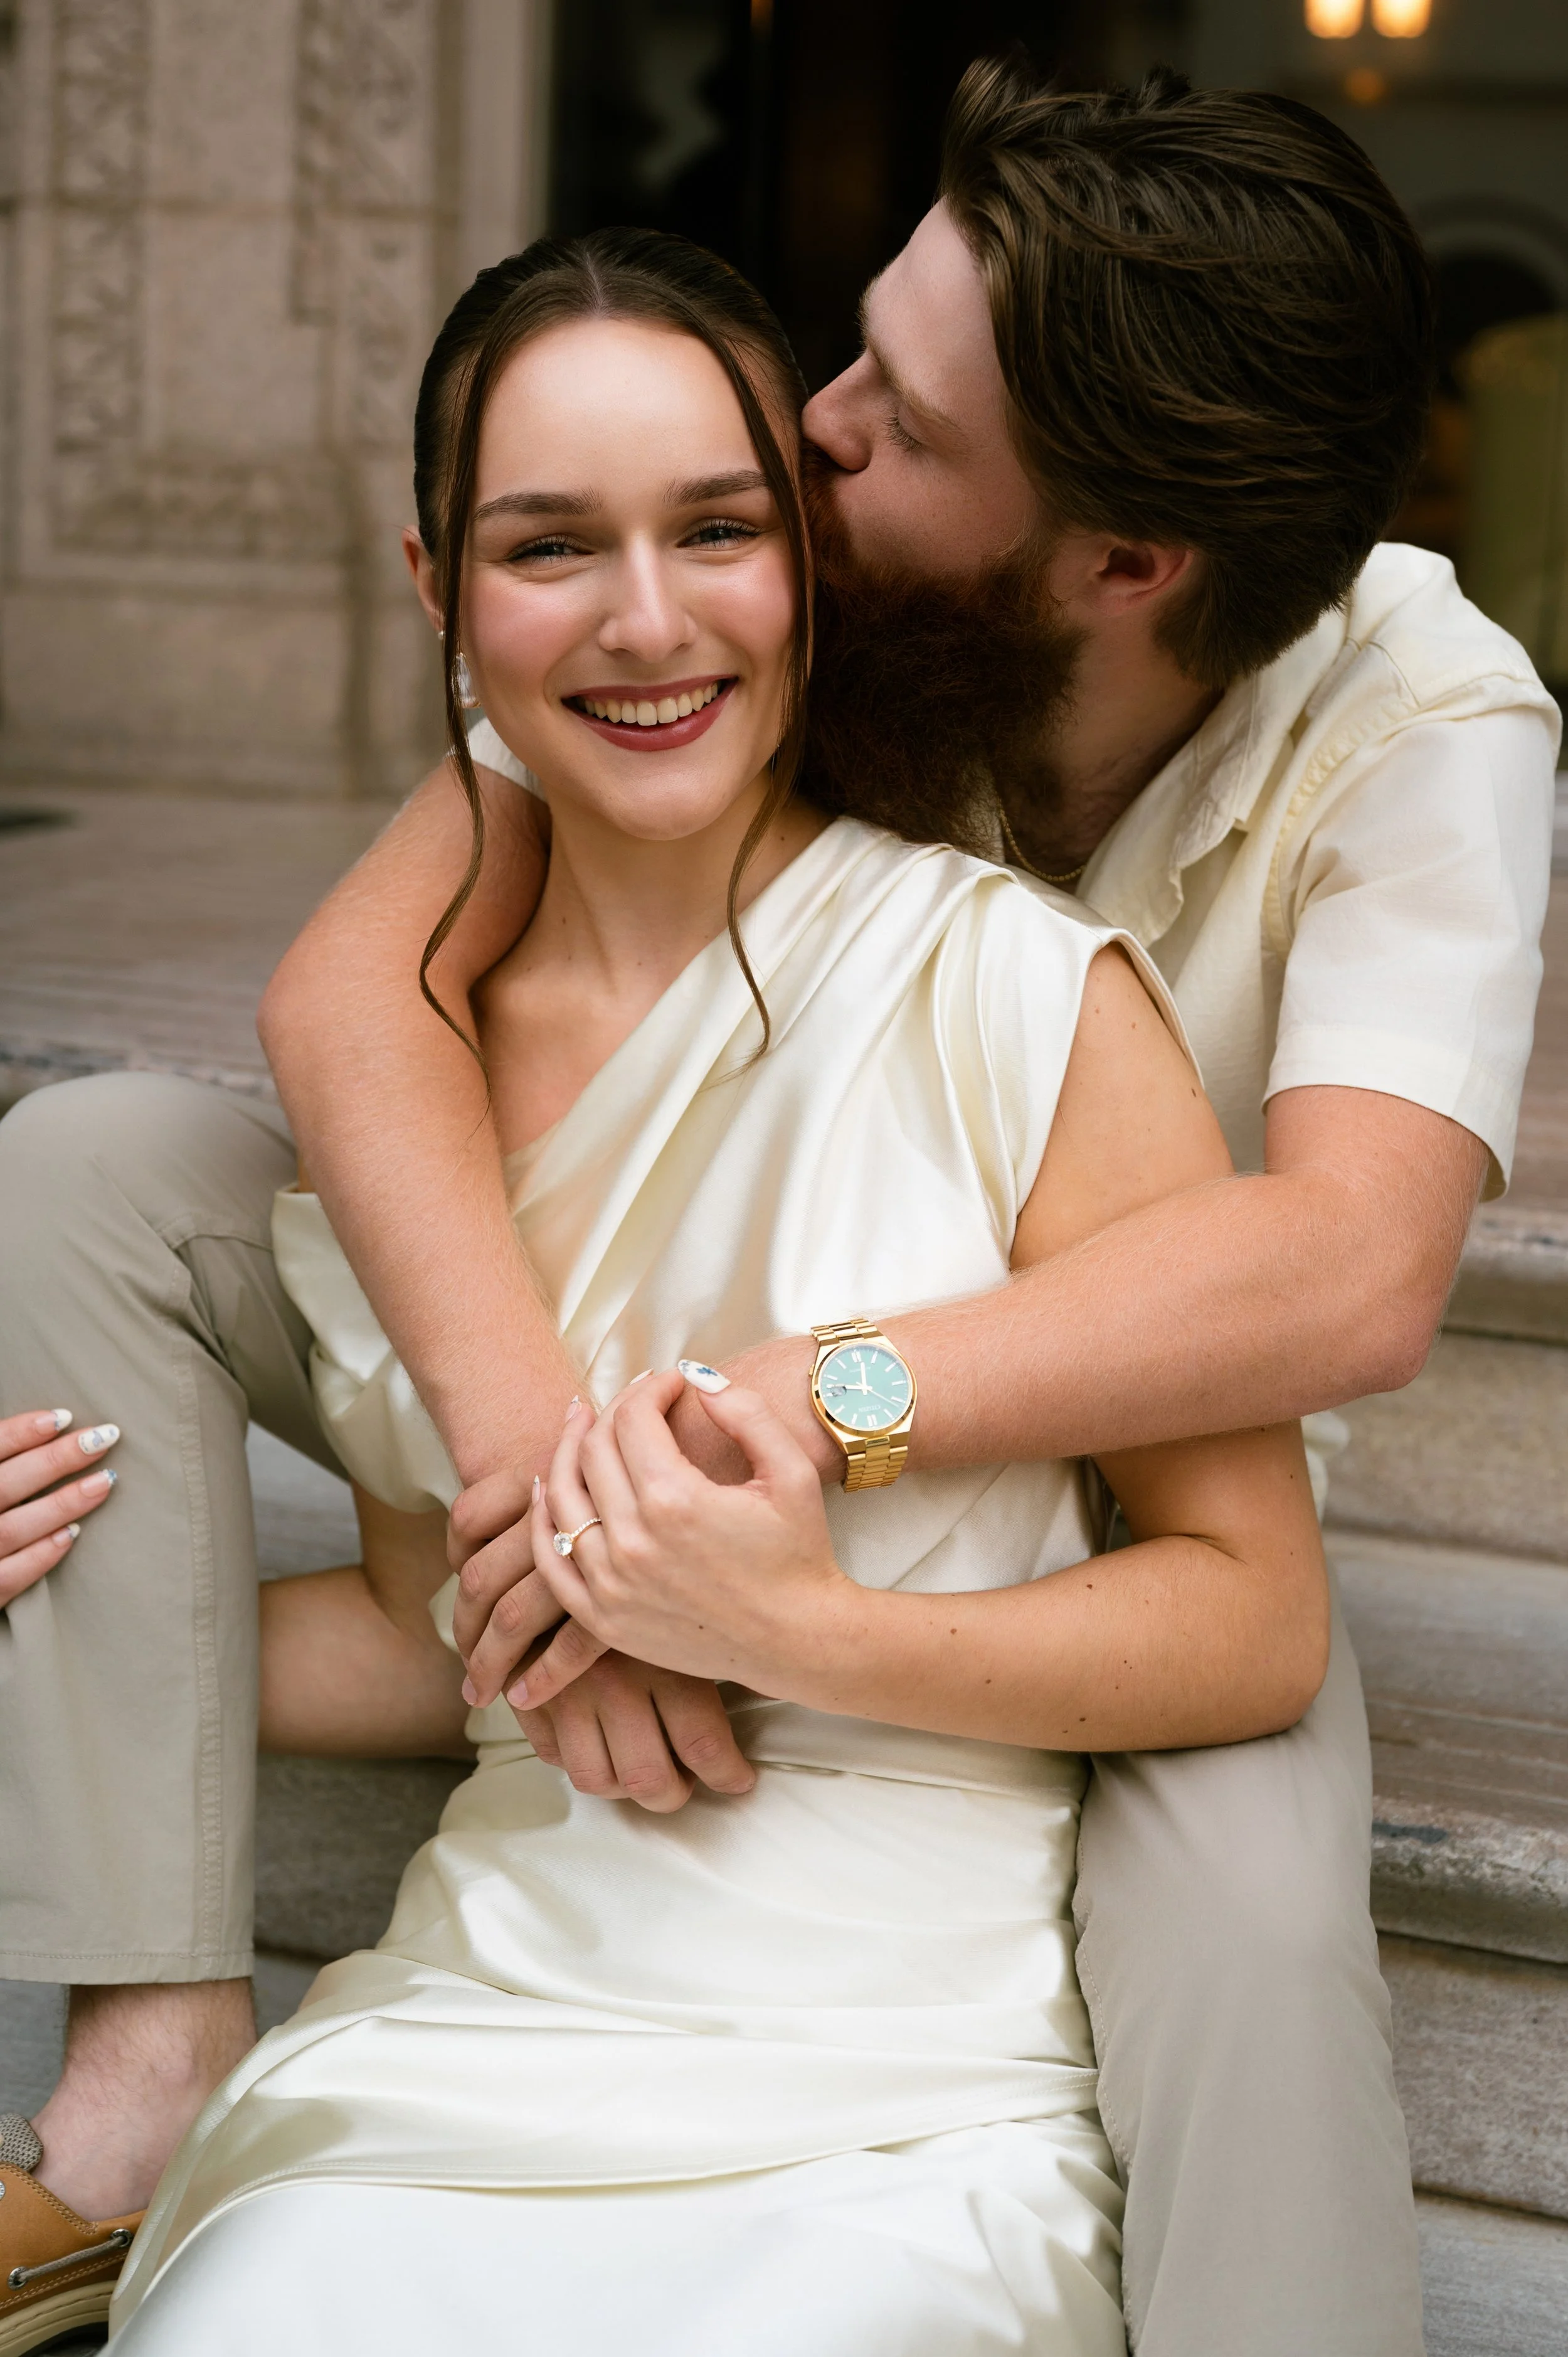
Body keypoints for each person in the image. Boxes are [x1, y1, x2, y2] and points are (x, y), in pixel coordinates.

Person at [0, 57, 1555, 2357]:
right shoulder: (738, 598)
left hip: (1094, 1481)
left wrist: (775, 1429)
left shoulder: (1416, 721)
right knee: (104, 1162)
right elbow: (356, 986)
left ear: (1116, 563)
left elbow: (1347, 1265)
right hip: (635, 1427)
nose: (820, 433)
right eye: (849, 358)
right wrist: (557, 1476)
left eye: (901, 425)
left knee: (1240, 1905)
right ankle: (144, 2078)